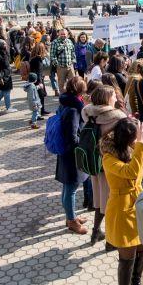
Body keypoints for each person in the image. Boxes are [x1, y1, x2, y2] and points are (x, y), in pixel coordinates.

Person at [102, 118, 143, 285]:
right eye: (134, 139)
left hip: (137, 205)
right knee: (127, 255)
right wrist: (140, 145)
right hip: (121, 209)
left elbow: (141, 170)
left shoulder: (132, 150)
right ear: (127, 140)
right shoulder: (108, 157)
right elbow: (131, 173)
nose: (137, 141)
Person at [82, 85, 128, 245]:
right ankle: (111, 241)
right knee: (111, 202)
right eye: (114, 96)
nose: (116, 98)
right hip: (111, 165)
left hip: (94, 163)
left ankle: (96, 232)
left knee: (99, 200)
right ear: (107, 99)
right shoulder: (117, 117)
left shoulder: (88, 113)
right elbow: (125, 142)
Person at [55, 76, 91, 235]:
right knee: (71, 188)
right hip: (72, 155)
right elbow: (72, 136)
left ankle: (71, 216)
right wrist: (83, 143)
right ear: (79, 92)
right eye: (83, 92)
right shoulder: (74, 109)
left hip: (66, 153)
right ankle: (71, 221)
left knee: (67, 187)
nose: (84, 95)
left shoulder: (65, 102)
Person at [0, 36, 15, 112]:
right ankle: (8, 107)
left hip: (7, 74)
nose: (6, 45)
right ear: (0, 45)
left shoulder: (5, 52)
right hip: (2, 76)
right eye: (4, 44)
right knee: (6, 91)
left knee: (4, 91)